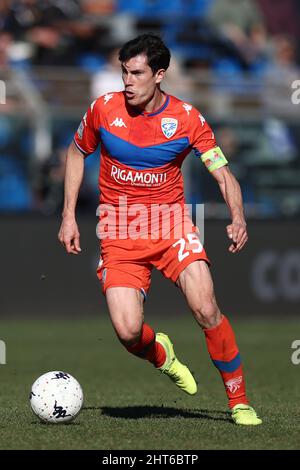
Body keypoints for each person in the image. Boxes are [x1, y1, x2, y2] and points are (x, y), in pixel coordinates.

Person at [58, 34, 262, 426]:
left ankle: (239, 402)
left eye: (136, 73)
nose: (127, 81)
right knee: (127, 331)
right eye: (123, 72)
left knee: (205, 306)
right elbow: (75, 153)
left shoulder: (187, 119)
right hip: (118, 230)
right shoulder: (103, 110)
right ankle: (162, 354)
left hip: (171, 227)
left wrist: (238, 217)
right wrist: (68, 214)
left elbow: (222, 173)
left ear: (160, 75)